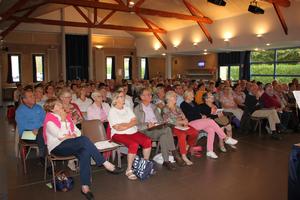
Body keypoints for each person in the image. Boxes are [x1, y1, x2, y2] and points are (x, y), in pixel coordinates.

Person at [43, 98, 122, 199]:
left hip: (70, 144)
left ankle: (85, 187)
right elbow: (60, 136)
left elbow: (77, 132)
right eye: (57, 105)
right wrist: (63, 121)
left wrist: (69, 133)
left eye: (59, 104)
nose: (60, 106)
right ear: (52, 109)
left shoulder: (66, 117)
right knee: (84, 140)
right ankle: (106, 164)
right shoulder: (49, 120)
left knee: (85, 152)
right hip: (57, 148)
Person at [134, 88, 185, 169]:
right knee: (167, 130)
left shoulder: (153, 107)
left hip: (157, 128)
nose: (150, 96)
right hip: (146, 130)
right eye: (148, 94)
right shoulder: (137, 109)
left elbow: (160, 120)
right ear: (142, 97)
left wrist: (161, 123)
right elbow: (137, 125)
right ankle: (175, 154)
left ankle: (166, 161)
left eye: (150, 94)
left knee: (164, 134)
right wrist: (147, 125)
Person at [180, 89, 238, 159]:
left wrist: (202, 115)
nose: (193, 95)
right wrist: (201, 116)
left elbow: (198, 112)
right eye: (192, 94)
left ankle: (209, 151)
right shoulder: (183, 104)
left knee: (211, 130)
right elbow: (190, 116)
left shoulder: (193, 103)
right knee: (210, 121)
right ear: (187, 96)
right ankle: (225, 138)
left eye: (193, 94)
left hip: (199, 121)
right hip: (191, 123)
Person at [108, 91, 152, 180]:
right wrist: (130, 123)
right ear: (115, 99)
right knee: (134, 144)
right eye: (120, 96)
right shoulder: (112, 111)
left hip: (132, 131)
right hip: (118, 134)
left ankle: (144, 166)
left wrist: (126, 124)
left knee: (147, 140)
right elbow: (118, 128)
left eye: (123, 96)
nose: (123, 98)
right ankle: (128, 169)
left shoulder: (127, 108)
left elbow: (135, 121)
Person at [162, 91, 199, 165]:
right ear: (168, 98)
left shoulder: (177, 107)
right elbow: (169, 121)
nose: (176, 98)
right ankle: (183, 156)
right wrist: (180, 121)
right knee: (182, 135)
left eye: (176, 96)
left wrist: (185, 120)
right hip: (171, 127)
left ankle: (187, 147)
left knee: (195, 132)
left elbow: (183, 116)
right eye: (174, 96)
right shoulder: (165, 108)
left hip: (181, 125)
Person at [15, 89, 46, 163]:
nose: (34, 97)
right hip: (26, 134)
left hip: (39, 132)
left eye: (33, 96)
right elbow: (24, 125)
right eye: (31, 96)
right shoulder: (20, 111)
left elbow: (45, 120)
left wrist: (38, 129)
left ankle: (43, 157)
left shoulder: (38, 107)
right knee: (42, 134)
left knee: (43, 133)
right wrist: (38, 127)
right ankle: (43, 158)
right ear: (24, 100)